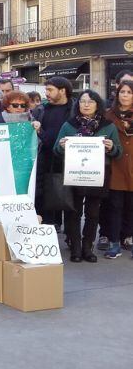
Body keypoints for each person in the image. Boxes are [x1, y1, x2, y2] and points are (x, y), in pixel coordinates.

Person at [54, 90, 121, 263]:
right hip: (74, 173)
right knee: (73, 212)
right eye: (83, 101)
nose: (86, 104)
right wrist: (62, 146)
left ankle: (87, 246)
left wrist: (111, 147)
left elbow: (118, 153)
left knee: (93, 213)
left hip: (97, 175)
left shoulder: (108, 126)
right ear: (78, 105)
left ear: (98, 104)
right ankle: (75, 247)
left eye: (90, 101)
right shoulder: (69, 125)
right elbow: (56, 150)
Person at [34, 77, 74, 230]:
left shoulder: (74, 109)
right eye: (46, 90)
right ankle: (49, 227)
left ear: (62, 91)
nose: (47, 94)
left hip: (68, 161)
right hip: (45, 160)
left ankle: (71, 235)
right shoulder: (41, 110)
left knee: (70, 199)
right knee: (45, 195)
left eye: (50, 90)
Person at [103, 80, 133, 258]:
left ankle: (127, 237)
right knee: (114, 206)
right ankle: (114, 242)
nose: (125, 95)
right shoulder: (108, 115)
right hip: (116, 164)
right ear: (117, 94)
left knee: (130, 206)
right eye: (123, 92)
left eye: (129, 92)